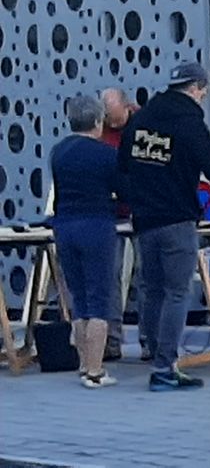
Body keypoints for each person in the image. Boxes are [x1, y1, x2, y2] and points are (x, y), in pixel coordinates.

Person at [119, 61, 210, 392]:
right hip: (177, 219)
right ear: (197, 88)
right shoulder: (190, 123)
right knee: (177, 292)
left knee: (152, 290)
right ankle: (164, 367)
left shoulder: (140, 120)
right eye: (203, 91)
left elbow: (123, 167)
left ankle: (153, 351)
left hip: (144, 221)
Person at [50, 94, 121, 388]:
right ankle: (96, 370)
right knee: (99, 299)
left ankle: (82, 364)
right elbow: (122, 188)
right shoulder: (105, 154)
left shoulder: (58, 151)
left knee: (78, 299)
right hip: (97, 226)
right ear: (98, 121)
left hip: (64, 226)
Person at [99, 87, 143, 362]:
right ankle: (111, 342)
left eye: (116, 120)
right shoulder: (98, 129)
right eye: (108, 120)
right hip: (110, 211)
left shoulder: (142, 123)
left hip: (139, 207)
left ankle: (149, 340)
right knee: (110, 276)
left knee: (145, 274)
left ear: (127, 107)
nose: (112, 125)